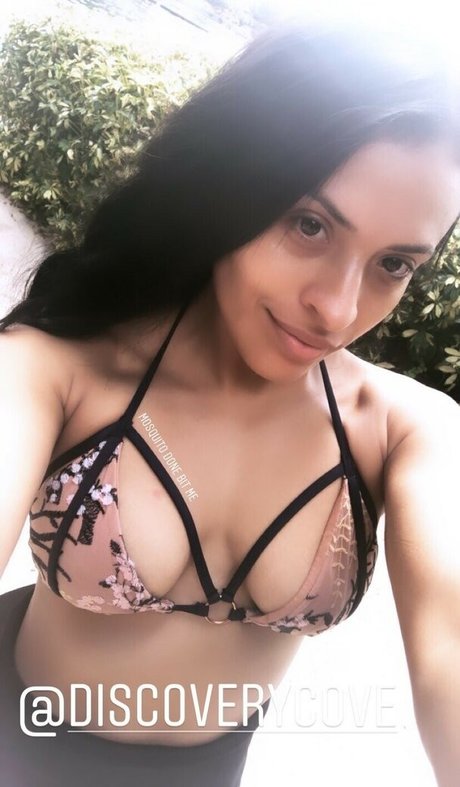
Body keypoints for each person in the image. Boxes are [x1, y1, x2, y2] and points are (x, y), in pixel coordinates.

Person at [0, 17, 459, 787]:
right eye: (310, 224)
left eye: (394, 264)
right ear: (231, 188)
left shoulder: (407, 430)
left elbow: (451, 650)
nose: (339, 308)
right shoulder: (60, 367)